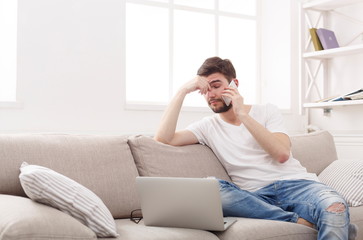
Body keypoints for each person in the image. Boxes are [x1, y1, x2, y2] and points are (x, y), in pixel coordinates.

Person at [154, 56, 357, 240]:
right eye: (205, 90)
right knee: (213, 189)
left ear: (234, 84)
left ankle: (334, 224)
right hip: (255, 197)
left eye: (216, 86)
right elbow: (163, 138)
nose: (211, 94)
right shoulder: (207, 126)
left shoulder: (267, 111)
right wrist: (182, 91)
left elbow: (282, 154)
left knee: (335, 207)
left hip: (299, 186)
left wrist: (243, 114)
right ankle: (303, 222)